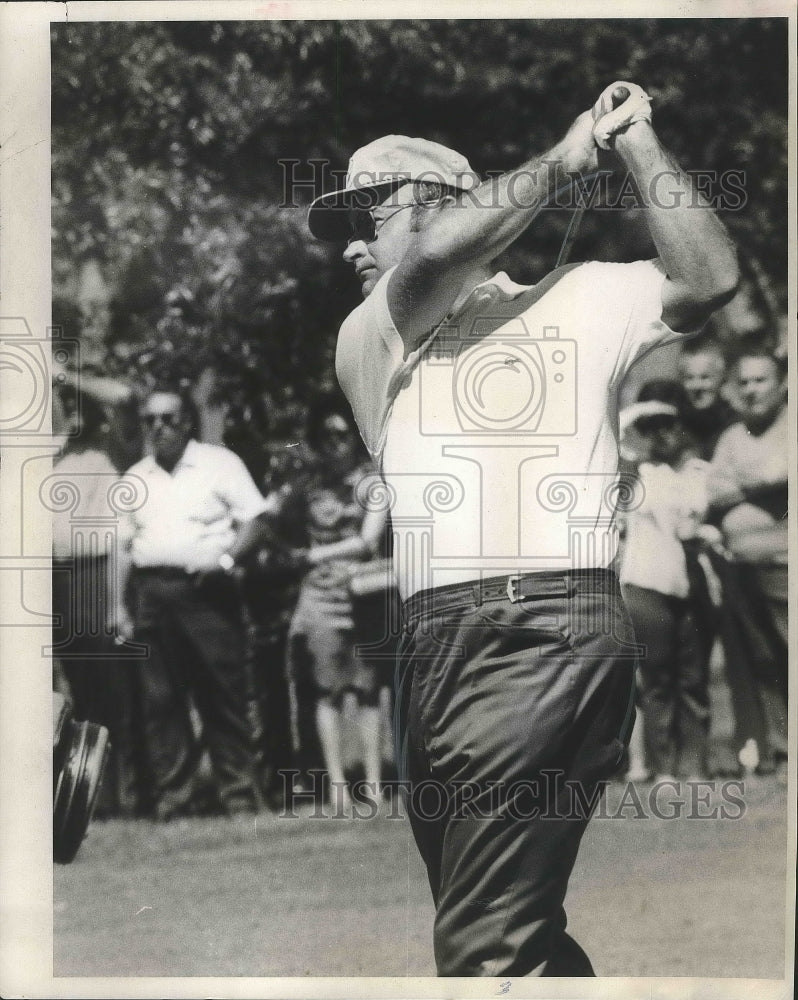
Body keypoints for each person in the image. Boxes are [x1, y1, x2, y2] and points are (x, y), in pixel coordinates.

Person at [307, 80, 739, 976]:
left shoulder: (586, 293)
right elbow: (433, 260)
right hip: (430, 651)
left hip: (546, 634)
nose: (349, 244)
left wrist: (635, 142)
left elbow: (709, 277)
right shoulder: (370, 336)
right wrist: (565, 160)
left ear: (443, 203)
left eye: (366, 216)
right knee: (507, 924)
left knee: (483, 948)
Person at [121, 384, 274, 820]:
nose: (159, 428)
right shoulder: (135, 477)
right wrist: (117, 606)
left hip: (207, 593)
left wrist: (227, 560)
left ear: (187, 422)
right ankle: (176, 801)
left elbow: (256, 519)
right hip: (152, 593)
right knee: (161, 701)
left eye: (168, 418)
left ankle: (240, 797)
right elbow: (122, 546)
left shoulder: (218, 464)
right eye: (150, 420)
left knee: (222, 695)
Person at [283, 393, 389, 813]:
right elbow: (275, 519)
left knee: (368, 690)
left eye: (342, 434)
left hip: (364, 593)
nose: (335, 443)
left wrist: (312, 555)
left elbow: (368, 540)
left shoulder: (374, 482)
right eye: (326, 435)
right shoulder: (308, 485)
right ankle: (338, 788)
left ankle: (375, 786)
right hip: (320, 597)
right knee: (326, 690)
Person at [618, 386, 714, 782]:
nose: (662, 435)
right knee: (656, 680)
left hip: (687, 586)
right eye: (652, 427)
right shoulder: (636, 476)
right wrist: (644, 416)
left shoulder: (695, 473)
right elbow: (620, 435)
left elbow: (692, 521)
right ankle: (663, 768)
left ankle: (695, 764)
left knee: (692, 676)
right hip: (647, 585)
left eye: (670, 426)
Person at [51, 389, 139, 816]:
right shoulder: (47, 453)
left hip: (96, 574)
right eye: (63, 402)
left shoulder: (110, 445)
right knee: (76, 695)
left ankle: (123, 796)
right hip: (54, 578)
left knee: (109, 692)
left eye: (75, 401)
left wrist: (69, 377)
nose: (69, 409)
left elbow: (124, 396)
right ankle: (85, 798)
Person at [705, 346, 788, 780]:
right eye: (745, 382)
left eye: (761, 380)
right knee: (764, 659)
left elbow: (784, 475)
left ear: (783, 384)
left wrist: (750, 484)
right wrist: (759, 486)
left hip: (785, 563)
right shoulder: (733, 437)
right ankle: (782, 748)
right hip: (742, 566)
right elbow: (714, 491)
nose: (752, 389)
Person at [677, 334, 737, 460]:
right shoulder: (678, 423)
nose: (697, 386)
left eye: (705, 377)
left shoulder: (734, 422)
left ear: (722, 378)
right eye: (689, 378)